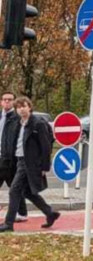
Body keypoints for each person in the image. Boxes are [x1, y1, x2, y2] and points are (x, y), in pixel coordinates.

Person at [0, 97, 59, 232]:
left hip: (30, 163)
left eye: (24, 106)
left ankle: (8, 223)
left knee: (14, 190)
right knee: (27, 192)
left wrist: (45, 166)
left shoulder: (37, 124)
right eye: (19, 107)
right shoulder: (19, 123)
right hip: (19, 161)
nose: (21, 109)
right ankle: (50, 213)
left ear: (30, 107)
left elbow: (45, 147)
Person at [0, 91, 27, 222]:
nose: (7, 102)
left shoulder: (17, 119)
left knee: (15, 188)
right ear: (1, 101)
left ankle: (22, 213)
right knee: (15, 188)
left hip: (11, 159)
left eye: (10, 99)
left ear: (14, 102)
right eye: (4, 99)